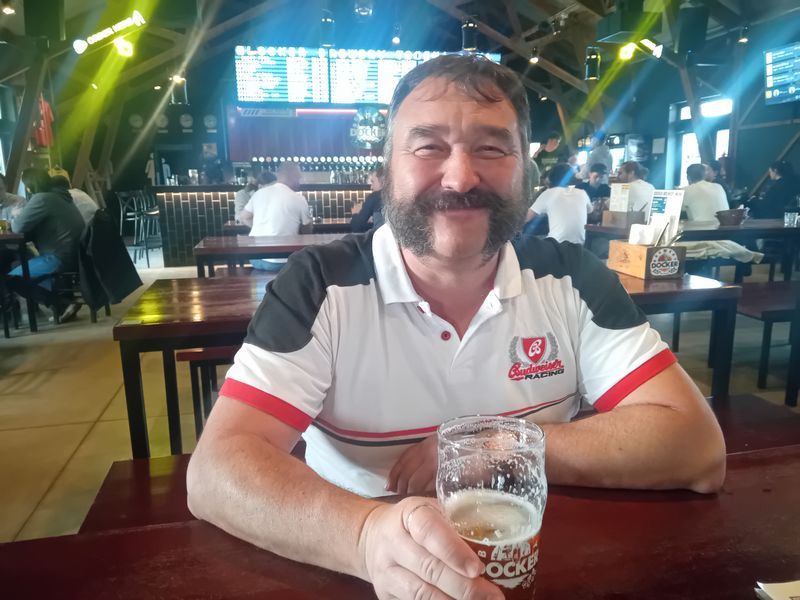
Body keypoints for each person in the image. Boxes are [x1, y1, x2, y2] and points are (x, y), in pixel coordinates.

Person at [187, 55, 725, 600]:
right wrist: (366, 538)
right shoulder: (319, 286)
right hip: (353, 570)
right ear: (386, 168)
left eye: (491, 148)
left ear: (526, 171)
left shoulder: (572, 278)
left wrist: (492, 448)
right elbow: (216, 471)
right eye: (428, 147)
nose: (461, 177)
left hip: (540, 565)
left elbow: (697, 447)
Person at [10, 167, 85, 320]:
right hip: (77, 254)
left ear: (30, 186)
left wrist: (14, 215)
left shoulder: (42, 198)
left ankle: (61, 305)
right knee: (26, 266)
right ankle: (65, 302)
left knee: (12, 279)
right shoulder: (62, 195)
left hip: (60, 257)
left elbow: (17, 227)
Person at [240, 162, 311, 271]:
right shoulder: (298, 199)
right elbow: (307, 230)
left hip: (256, 259)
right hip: (283, 261)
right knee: (308, 264)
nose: (300, 180)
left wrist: (263, 227)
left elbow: (244, 217)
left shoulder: (259, 193)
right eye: (298, 177)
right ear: (291, 176)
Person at [529, 162, 593, 244]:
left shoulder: (549, 193)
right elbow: (590, 211)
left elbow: (526, 218)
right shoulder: (582, 193)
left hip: (556, 244)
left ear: (550, 178)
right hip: (579, 245)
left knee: (529, 240)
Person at [350, 166, 385, 232]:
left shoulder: (376, 196)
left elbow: (356, 226)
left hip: (382, 238)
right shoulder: (399, 195)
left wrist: (355, 213)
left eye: (373, 182)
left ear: (382, 182)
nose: (371, 187)